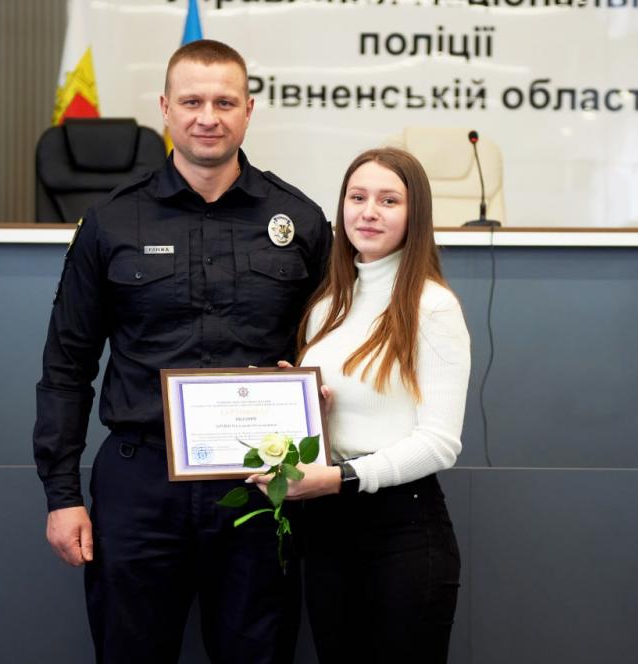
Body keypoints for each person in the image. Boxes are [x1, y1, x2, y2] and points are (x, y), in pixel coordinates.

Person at [33, 40, 332, 664]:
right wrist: (62, 495)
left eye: (225, 102)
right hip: (140, 480)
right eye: (192, 102)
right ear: (165, 108)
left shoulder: (300, 220)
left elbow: (337, 349)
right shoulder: (112, 222)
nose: (208, 117)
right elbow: (66, 368)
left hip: (263, 482)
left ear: (249, 110)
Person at [252, 147, 471, 662]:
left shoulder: (432, 306)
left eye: (389, 200)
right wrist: (311, 412)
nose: (369, 212)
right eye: (357, 197)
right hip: (327, 532)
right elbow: (353, 419)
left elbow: (440, 444)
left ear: (415, 214)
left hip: (403, 533)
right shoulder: (327, 304)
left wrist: (340, 478)